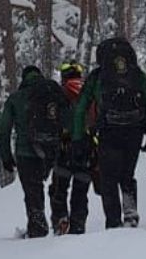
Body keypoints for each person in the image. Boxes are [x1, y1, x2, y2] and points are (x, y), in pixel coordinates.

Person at [70, 37, 146, 229]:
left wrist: (77, 138)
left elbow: (81, 107)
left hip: (109, 131)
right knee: (127, 174)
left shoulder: (98, 76)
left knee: (108, 179)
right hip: (134, 131)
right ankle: (131, 214)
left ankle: (114, 222)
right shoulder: (136, 74)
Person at [0, 66, 69, 238]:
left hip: (26, 152)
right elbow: (69, 118)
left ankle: (38, 228)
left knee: (33, 191)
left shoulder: (16, 98)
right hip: (53, 150)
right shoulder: (54, 93)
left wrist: (6, 158)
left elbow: (3, 129)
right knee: (57, 185)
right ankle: (60, 218)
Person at [49, 60, 94, 235]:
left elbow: (54, 120)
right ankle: (78, 226)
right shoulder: (89, 90)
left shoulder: (60, 93)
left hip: (64, 148)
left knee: (59, 189)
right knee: (80, 192)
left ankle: (61, 219)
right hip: (88, 148)